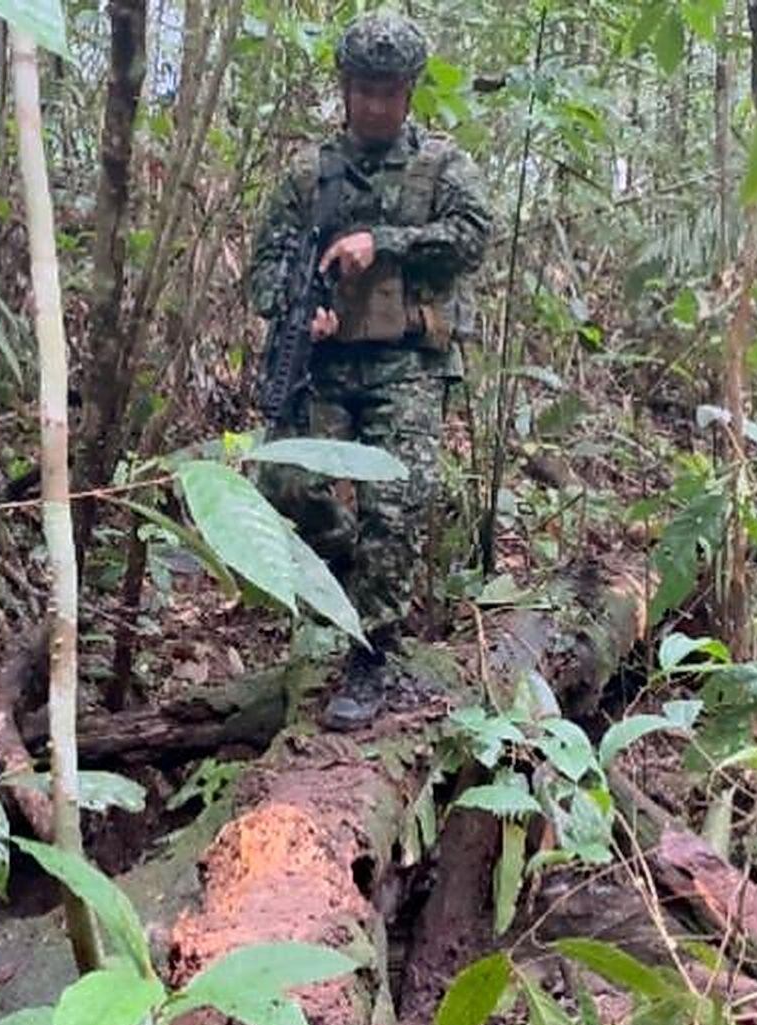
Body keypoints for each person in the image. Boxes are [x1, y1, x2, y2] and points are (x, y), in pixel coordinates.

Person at [246, 12, 492, 731]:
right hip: (323, 363)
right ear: (345, 89)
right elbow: (266, 268)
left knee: (400, 501)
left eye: (390, 91)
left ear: (409, 92)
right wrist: (298, 309)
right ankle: (357, 582)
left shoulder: (442, 167)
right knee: (288, 486)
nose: (377, 105)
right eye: (365, 90)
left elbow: (472, 239)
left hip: (407, 360)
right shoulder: (308, 175)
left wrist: (381, 242)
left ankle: (373, 654)